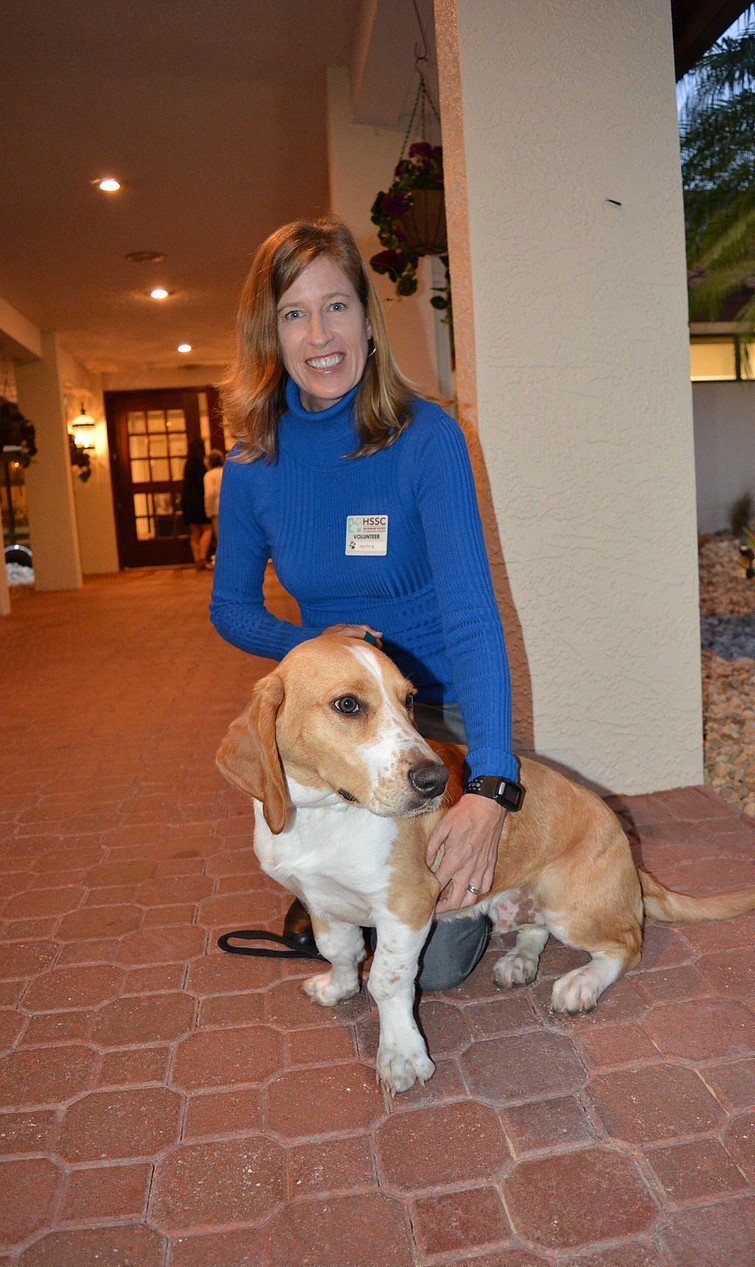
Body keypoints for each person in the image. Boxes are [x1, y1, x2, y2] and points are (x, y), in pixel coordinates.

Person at [210, 215, 523, 989]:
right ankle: (334, 896)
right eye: (294, 313)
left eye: (337, 305)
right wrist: (308, 643)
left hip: (428, 710)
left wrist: (490, 786)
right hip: (337, 709)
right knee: (324, 860)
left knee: (438, 965)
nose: (320, 334)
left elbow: (475, 619)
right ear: (270, 334)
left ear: (367, 318)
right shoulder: (253, 464)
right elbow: (230, 607)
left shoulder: (427, 438)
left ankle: (454, 876)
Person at [181, 438, 213, 569]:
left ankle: (196, 561)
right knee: (207, 528)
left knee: (194, 532)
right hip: (198, 500)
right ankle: (202, 559)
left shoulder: (187, 463)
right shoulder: (199, 464)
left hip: (187, 500)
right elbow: (202, 483)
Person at [204, 448, 224, 553]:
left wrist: (208, 511)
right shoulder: (226, 471)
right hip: (231, 508)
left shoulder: (209, 475)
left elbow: (209, 494)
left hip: (216, 509)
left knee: (221, 538)